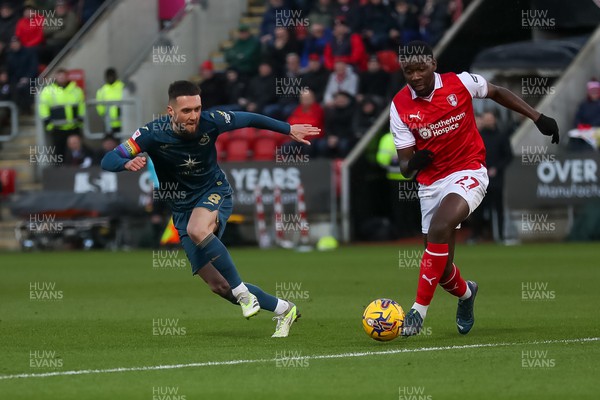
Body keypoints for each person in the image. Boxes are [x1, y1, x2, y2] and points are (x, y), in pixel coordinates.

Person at [101, 80, 320, 337]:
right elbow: (109, 158)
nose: (194, 116)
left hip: (214, 191)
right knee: (219, 285)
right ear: (170, 111)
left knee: (198, 229)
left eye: (197, 108)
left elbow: (249, 118)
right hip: (181, 209)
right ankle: (284, 309)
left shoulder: (212, 120)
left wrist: (288, 128)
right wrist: (125, 164)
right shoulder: (151, 133)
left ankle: (243, 294)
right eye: (187, 111)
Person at [390, 41, 559, 336]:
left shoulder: (461, 83)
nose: (415, 76)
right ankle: (467, 294)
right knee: (441, 271)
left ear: (433, 64)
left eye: (420, 68)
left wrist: (536, 117)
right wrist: (415, 160)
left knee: (441, 227)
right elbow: (405, 169)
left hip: (469, 170)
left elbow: (497, 92)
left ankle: (417, 311)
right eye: (408, 71)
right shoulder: (399, 106)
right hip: (430, 184)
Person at [469, 111, 513, 242]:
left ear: (494, 120)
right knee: (477, 209)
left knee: (498, 208)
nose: (488, 121)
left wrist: (497, 169)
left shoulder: (501, 136)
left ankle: (500, 235)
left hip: (496, 180)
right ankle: (476, 235)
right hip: (479, 180)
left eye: (490, 119)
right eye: (486, 119)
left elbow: (508, 156)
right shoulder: (477, 136)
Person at [39, 68, 85, 158]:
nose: (61, 78)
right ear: (55, 77)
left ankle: (77, 169)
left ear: (67, 77)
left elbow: (81, 105)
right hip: (57, 129)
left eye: (63, 76)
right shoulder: (48, 91)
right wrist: (48, 123)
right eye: (59, 76)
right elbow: (43, 107)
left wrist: (81, 119)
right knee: (59, 154)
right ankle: (59, 171)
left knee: (77, 152)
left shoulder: (76, 90)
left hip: (74, 127)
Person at [96, 67, 125, 134]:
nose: (110, 78)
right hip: (109, 123)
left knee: (126, 144)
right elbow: (100, 108)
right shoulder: (101, 91)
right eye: (108, 76)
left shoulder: (123, 87)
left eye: (111, 76)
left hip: (123, 122)